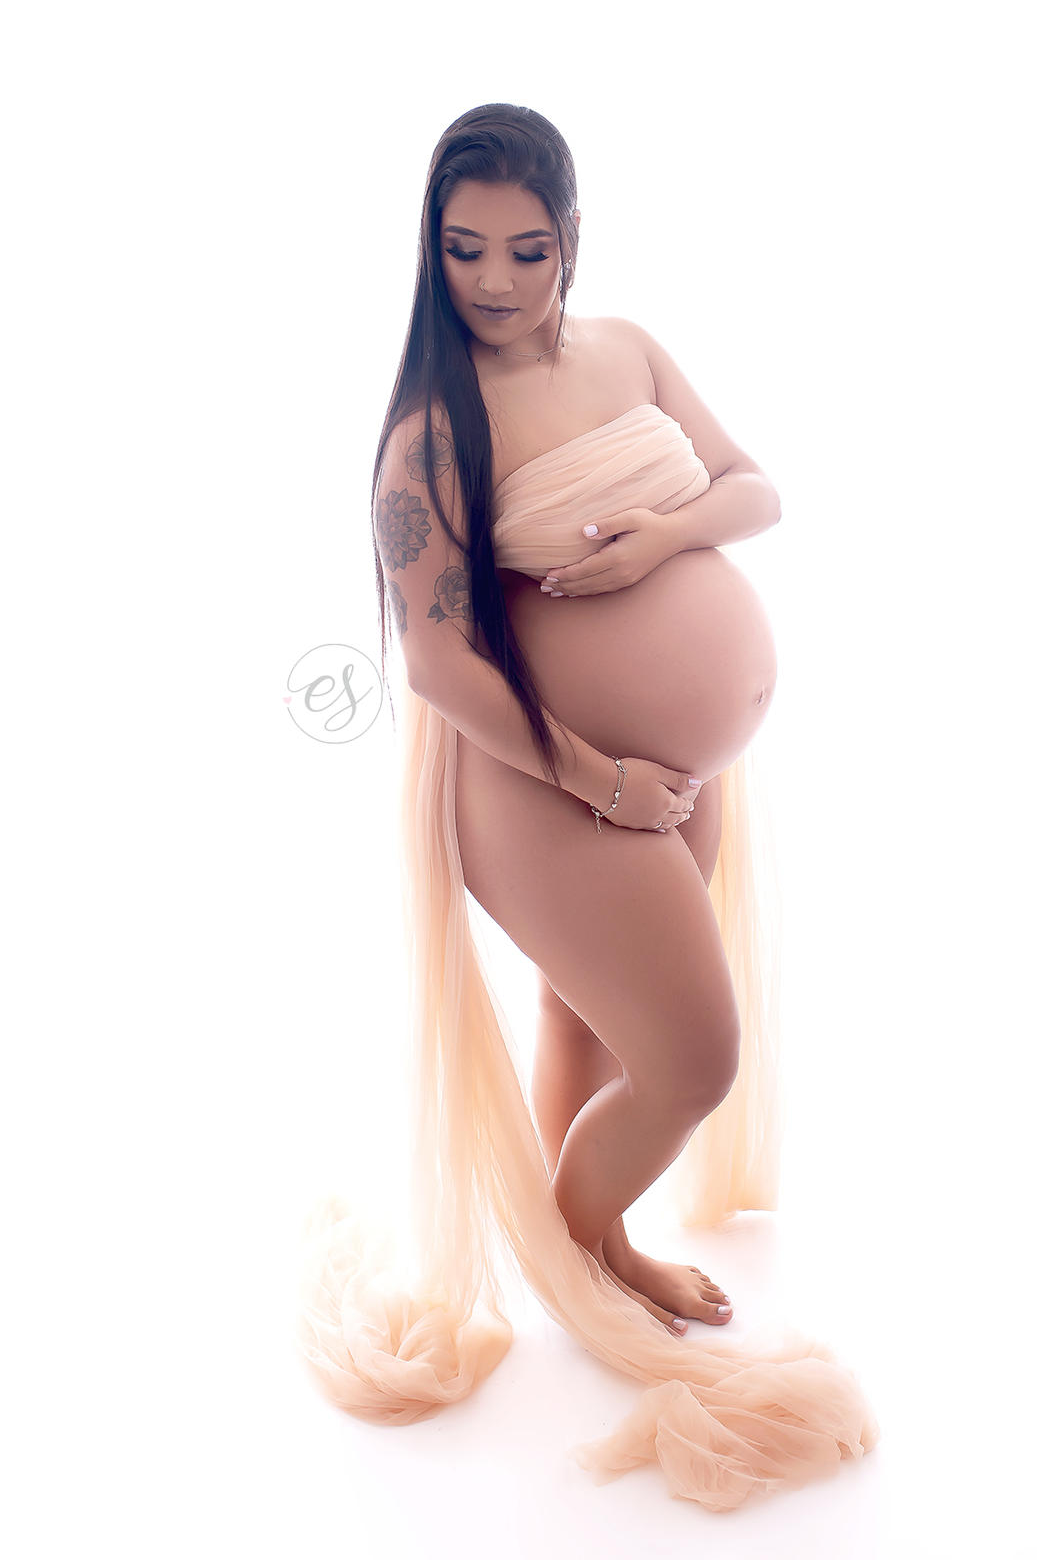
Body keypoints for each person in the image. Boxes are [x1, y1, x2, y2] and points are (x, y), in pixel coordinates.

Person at [299, 105, 878, 1511]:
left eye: (527, 249)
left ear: (572, 240)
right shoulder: (431, 438)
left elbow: (757, 491)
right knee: (694, 1057)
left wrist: (663, 538)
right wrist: (599, 777)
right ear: (430, 249)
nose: (494, 281)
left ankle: (586, 1246)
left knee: (593, 1021)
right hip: (547, 779)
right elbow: (437, 663)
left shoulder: (629, 349)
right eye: (463, 250)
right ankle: (585, 1244)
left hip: (667, 768)